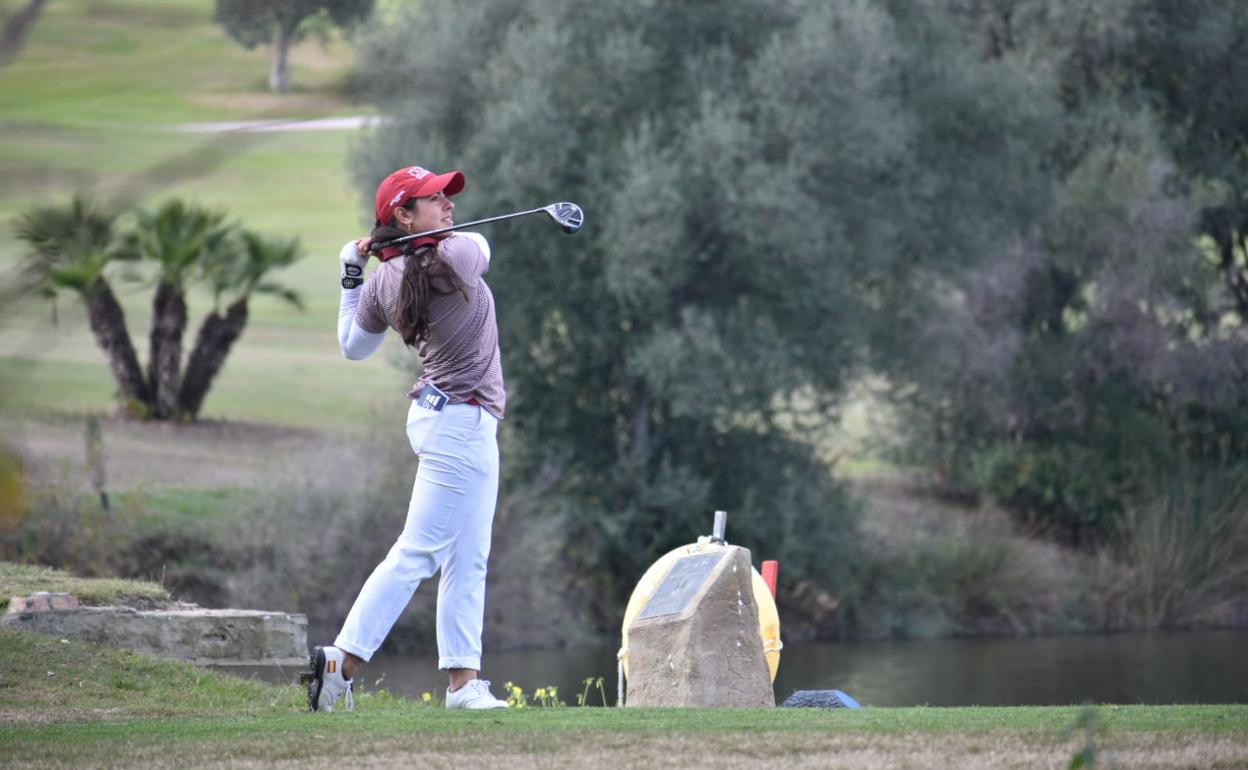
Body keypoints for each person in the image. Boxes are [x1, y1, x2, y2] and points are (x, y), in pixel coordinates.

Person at [308, 165, 509, 712]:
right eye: (434, 199)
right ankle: (340, 663)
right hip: (459, 425)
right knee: (418, 554)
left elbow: (354, 346)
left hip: (450, 420)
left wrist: (352, 274)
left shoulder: (382, 282)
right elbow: (482, 243)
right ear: (403, 213)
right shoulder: (459, 255)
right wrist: (413, 249)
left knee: (468, 557)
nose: (448, 205)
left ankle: (464, 685)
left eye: (447, 196)